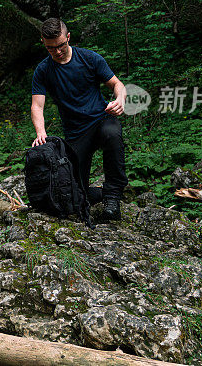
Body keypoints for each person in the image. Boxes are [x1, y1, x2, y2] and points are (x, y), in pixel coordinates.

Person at [30, 18, 128, 222]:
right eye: (50, 48)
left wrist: (120, 99)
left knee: (112, 133)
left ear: (68, 37)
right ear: (43, 43)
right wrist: (41, 132)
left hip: (101, 120)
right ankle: (99, 193)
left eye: (60, 46)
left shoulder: (90, 59)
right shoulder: (43, 70)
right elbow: (37, 106)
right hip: (75, 134)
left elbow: (117, 84)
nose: (57, 52)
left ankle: (112, 198)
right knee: (72, 197)